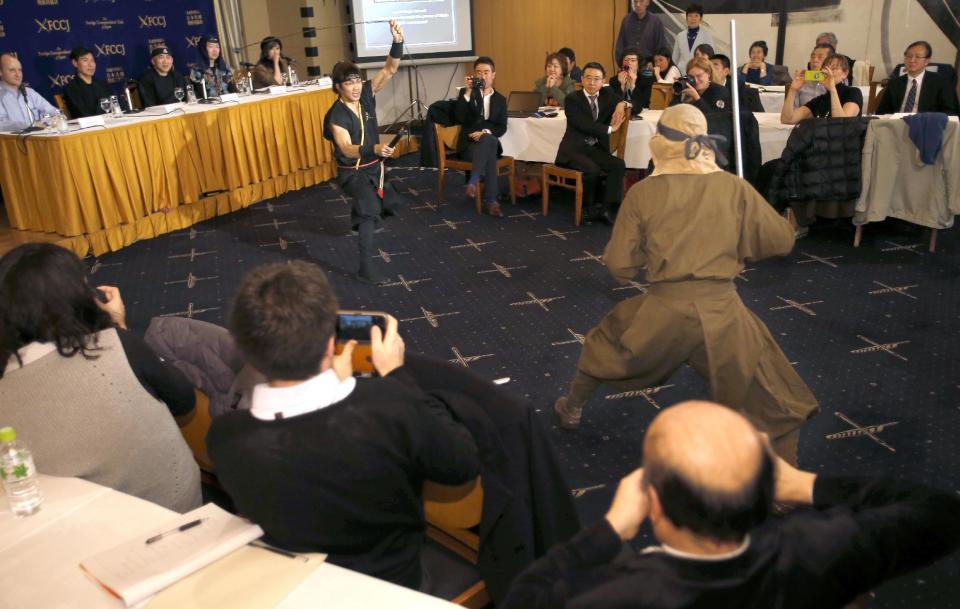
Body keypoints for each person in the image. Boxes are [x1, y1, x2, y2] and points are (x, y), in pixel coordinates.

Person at [504, 399, 960, 609]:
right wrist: (801, 484)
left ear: (653, 506)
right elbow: (940, 511)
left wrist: (610, 530)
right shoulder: (819, 549)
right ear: (765, 490)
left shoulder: (619, 592)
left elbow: (523, 599)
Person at [553, 104, 818, 465]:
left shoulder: (644, 193)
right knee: (769, 385)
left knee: (605, 344)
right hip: (722, 309)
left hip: (662, 311)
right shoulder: (731, 186)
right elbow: (781, 241)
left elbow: (621, 268)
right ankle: (786, 476)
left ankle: (572, 407)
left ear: (662, 142)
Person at [206, 260, 479, 593]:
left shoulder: (225, 437)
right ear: (329, 343)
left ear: (248, 351)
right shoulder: (391, 407)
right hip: (392, 584)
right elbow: (461, 463)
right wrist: (397, 376)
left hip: (299, 585)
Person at [0, 243, 200, 513]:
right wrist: (117, 326)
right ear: (75, 297)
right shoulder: (115, 345)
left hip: (81, 528)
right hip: (173, 504)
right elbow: (184, 403)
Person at [323, 20, 410, 284]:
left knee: (391, 204)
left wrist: (397, 42)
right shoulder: (335, 116)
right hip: (353, 172)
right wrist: (373, 147)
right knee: (371, 213)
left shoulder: (366, 95)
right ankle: (365, 269)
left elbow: (390, 69)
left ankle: (359, 217)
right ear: (338, 86)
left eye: (358, 80)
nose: (357, 86)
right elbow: (347, 148)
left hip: (374, 167)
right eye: (349, 83)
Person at [555, 62, 626, 226]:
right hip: (573, 150)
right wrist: (610, 129)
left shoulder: (607, 96)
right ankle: (587, 210)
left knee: (618, 164)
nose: (592, 83)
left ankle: (608, 210)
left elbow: (633, 104)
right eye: (588, 78)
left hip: (594, 149)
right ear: (582, 79)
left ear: (603, 81)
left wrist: (623, 104)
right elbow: (583, 124)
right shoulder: (572, 99)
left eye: (597, 79)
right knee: (592, 169)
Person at [455, 56, 509, 217]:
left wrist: (484, 133)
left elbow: (502, 127)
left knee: (489, 141)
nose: (482, 76)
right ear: (474, 75)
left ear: (493, 75)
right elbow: (459, 117)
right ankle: (491, 201)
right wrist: (468, 91)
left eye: (486, 72)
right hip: (468, 145)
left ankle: (473, 181)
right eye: (479, 73)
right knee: (490, 147)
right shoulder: (466, 94)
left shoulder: (500, 99)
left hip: (487, 143)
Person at [876, 41, 959, 116]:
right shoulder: (894, 83)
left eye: (917, 57)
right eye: (909, 56)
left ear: (927, 61)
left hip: (926, 127)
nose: (912, 60)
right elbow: (881, 112)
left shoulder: (941, 83)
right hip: (897, 126)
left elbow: (951, 113)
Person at [781, 54, 861, 124]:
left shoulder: (853, 92)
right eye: (825, 69)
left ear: (845, 73)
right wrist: (792, 89)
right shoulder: (820, 100)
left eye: (833, 68)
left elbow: (841, 124)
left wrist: (832, 90)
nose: (828, 72)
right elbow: (787, 119)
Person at [0, 52, 58, 131]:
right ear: (1, 72)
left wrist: (51, 119)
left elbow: (53, 112)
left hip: (40, 137)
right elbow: (2, 124)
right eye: (12, 70)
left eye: (20, 70)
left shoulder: (30, 92)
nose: (18, 74)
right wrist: (32, 125)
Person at [62, 46, 114, 118]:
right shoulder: (71, 88)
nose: (90, 65)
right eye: (85, 60)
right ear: (75, 63)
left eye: (92, 60)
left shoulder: (102, 84)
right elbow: (83, 114)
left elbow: (116, 106)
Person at [672, 4, 713, 71]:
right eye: (690, 15)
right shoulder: (680, 36)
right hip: (681, 73)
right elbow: (675, 58)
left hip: (699, 72)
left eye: (696, 16)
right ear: (686, 17)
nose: (693, 19)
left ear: (701, 18)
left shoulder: (707, 36)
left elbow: (711, 58)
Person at [792, 43, 834, 108]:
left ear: (831, 62)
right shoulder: (802, 82)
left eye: (820, 57)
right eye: (813, 57)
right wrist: (792, 89)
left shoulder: (836, 83)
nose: (815, 60)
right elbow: (791, 113)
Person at [609, 48, 648, 112]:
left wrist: (633, 85)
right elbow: (613, 103)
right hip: (620, 112)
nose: (629, 63)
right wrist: (622, 86)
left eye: (633, 60)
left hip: (641, 113)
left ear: (638, 65)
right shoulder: (614, 80)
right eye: (626, 60)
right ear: (622, 64)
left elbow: (643, 103)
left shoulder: (645, 80)